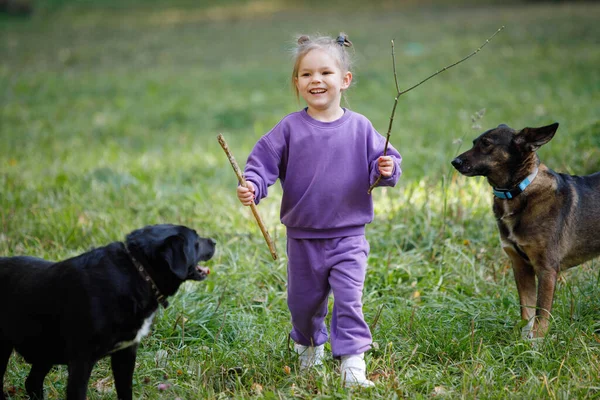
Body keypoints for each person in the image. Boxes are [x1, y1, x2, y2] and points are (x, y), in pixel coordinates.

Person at [236, 32, 402, 388]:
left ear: (344, 80)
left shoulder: (360, 127)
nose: (316, 80)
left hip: (348, 236)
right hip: (303, 238)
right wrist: (253, 185)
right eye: (307, 74)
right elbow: (262, 164)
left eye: (325, 73)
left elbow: (385, 163)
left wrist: (385, 169)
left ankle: (352, 362)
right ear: (296, 82)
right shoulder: (289, 129)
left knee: (348, 300)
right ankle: (310, 346)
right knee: (303, 303)